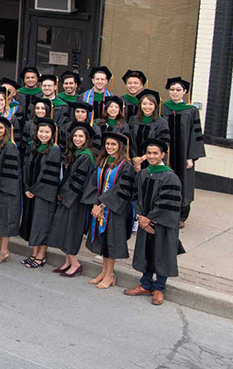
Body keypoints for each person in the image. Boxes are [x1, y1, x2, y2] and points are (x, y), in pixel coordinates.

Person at [126, 139, 182, 306]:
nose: (151, 156)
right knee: (146, 252)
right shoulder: (143, 173)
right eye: (149, 153)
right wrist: (141, 217)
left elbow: (168, 203)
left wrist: (150, 218)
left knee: (161, 253)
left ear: (162, 155)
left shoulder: (170, 177)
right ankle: (145, 284)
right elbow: (135, 196)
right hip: (145, 222)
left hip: (162, 223)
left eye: (155, 153)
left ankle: (159, 288)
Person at [87, 132, 136, 290]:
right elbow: (94, 185)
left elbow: (122, 190)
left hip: (114, 210)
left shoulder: (126, 165)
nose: (109, 147)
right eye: (107, 144)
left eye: (113, 144)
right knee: (104, 242)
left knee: (111, 243)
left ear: (120, 147)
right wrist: (95, 204)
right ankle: (104, 272)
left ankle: (110, 275)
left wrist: (102, 205)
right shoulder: (103, 161)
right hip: (101, 207)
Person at [47, 123, 97, 278]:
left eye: (81, 136)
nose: (77, 139)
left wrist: (64, 193)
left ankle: (76, 263)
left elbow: (78, 182)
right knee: (64, 228)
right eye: (75, 136)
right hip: (69, 197)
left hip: (76, 200)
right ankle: (68, 261)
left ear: (87, 139)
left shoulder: (86, 156)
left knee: (71, 231)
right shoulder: (76, 153)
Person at [161, 77, 205, 227]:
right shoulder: (163, 108)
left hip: (183, 155)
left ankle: (181, 215)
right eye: (172, 89)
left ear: (185, 92)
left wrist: (191, 157)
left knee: (183, 184)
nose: (175, 92)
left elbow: (195, 134)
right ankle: (164, 212)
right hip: (166, 154)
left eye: (178, 90)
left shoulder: (191, 110)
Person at [19, 118, 62, 269]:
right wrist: (26, 187)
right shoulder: (33, 147)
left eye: (47, 132)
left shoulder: (54, 150)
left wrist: (34, 190)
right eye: (41, 131)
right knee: (33, 223)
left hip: (45, 194)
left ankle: (41, 256)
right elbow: (26, 168)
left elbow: (48, 174)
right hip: (31, 192)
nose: (43, 135)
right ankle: (34, 253)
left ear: (52, 134)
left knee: (43, 224)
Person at [0, 116, 21, 264]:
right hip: (0, 189)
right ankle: (2, 251)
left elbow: (10, 171)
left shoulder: (10, 146)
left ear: (6, 130)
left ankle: (3, 251)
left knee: (5, 221)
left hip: (7, 190)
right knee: (1, 221)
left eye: (0, 128)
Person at [126, 90, 170, 172]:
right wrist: (134, 159)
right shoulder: (133, 120)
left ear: (155, 106)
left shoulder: (161, 122)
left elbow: (163, 144)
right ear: (140, 105)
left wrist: (143, 158)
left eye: (151, 104)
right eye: (144, 104)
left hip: (153, 161)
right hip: (133, 161)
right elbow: (129, 141)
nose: (147, 107)